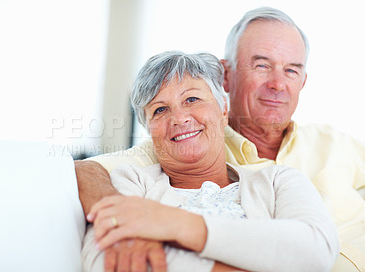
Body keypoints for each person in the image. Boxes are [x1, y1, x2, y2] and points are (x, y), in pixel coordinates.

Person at [76, 7, 365, 271]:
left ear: (221, 108)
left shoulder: (286, 175)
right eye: (262, 66)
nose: (179, 118)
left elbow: (314, 250)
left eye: (291, 70)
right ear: (226, 78)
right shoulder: (138, 174)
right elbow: (86, 174)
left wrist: (172, 225)